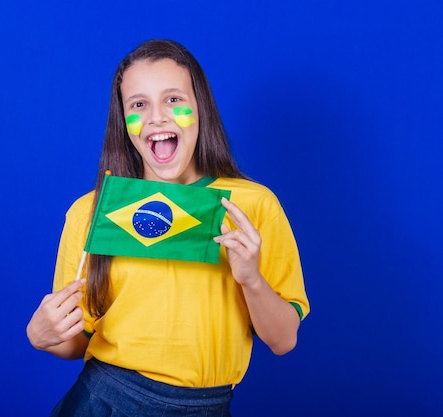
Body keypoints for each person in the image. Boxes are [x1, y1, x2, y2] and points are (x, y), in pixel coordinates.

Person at [26, 39, 309, 416]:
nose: (157, 117)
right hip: (105, 400)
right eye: (139, 105)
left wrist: (251, 279)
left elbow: (283, 340)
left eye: (173, 99)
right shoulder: (92, 213)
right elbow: (76, 342)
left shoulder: (253, 206)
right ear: (124, 122)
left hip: (206, 406)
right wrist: (41, 336)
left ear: (200, 108)